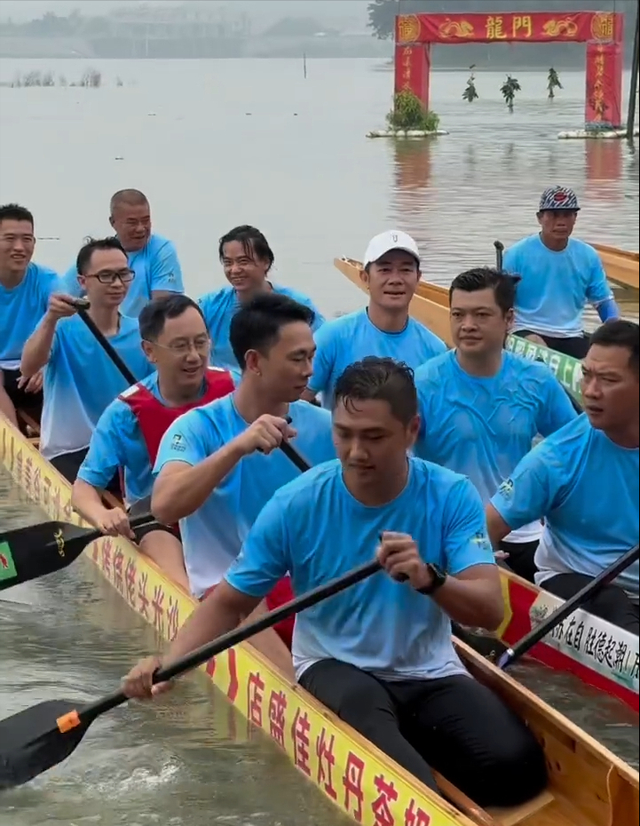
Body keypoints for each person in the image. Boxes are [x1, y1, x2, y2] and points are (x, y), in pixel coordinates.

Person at [123, 357, 547, 809]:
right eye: (343, 433)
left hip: (428, 670)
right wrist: (168, 664)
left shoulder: (452, 493)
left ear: (412, 430)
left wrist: (430, 578)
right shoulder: (297, 503)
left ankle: (410, 745)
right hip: (334, 666)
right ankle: (412, 763)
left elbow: (489, 610)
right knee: (413, 788)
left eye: (374, 437)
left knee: (518, 774)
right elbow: (229, 603)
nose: (355, 452)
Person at [150, 292, 336, 670]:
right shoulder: (196, 428)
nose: (310, 370)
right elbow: (164, 505)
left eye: (312, 356)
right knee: (301, 686)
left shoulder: (325, 427)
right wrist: (236, 448)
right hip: (229, 597)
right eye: (298, 358)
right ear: (254, 362)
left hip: (308, 586)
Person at [414, 268, 578, 583]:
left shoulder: (537, 379)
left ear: (509, 319)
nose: (467, 325)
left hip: (523, 530)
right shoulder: (423, 383)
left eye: (481, 314)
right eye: (458, 314)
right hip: (448, 529)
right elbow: (398, 467)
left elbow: (574, 450)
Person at [71, 295, 235, 590]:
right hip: (158, 520)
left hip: (225, 509)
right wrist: (103, 515)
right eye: (180, 346)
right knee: (182, 587)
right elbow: (84, 489)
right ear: (149, 351)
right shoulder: (125, 412)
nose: (195, 356)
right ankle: (188, 604)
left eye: (201, 342)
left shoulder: (235, 386)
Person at [487, 321, 639, 635]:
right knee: (614, 605)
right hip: (579, 585)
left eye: (608, 380)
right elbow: (481, 528)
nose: (591, 391)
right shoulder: (556, 457)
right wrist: (483, 562)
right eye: (587, 375)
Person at [20, 237, 155, 482]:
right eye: (106, 276)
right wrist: (50, 318)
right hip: (71, 450)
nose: (117, 284)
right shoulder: (61, 326)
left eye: (123, 274)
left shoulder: (142, 333)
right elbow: (28, 366)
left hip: (124, 450)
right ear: (82, 282)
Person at [304, 230, 446, 408]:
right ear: (365, 278)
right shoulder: (332, 338)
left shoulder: (435, 350)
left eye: (405, 270)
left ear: (418, 278)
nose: (395, 279)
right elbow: (295, 404)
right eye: (385, 269)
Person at [503, 186, 619, 359]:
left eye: (567, 214)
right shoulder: (516, 254)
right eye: (554, 215)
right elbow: (501, 302)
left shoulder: (588, 256)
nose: (561, 222)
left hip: (571, 335)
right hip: (526, 331)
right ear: (540, 218)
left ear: (575, 218)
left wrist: (617, 334)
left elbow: (603, 303)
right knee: (538, 347)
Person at [198, 225, 324, 371]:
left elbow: (322, 351)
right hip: (225, 388)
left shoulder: (297, 305)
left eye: (243, 261)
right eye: (228, 263)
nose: (234, 270)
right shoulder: (209, 305)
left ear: (266, 262)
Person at [60, 189, 184, 318]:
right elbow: (61, 296)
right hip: (105, 331)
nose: (141, 229)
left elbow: (165, 310)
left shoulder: (162, 250)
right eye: (132, 222)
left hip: (144, 333)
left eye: (146, 220)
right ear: (113, 222)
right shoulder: (100, 254)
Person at [0, 203, 60, 427]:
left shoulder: (47, 280)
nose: (19, 247)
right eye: (9, 239)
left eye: (27, 239)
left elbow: (68, 328)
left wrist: (47, 366)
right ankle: (12, 445)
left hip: (34, 369)